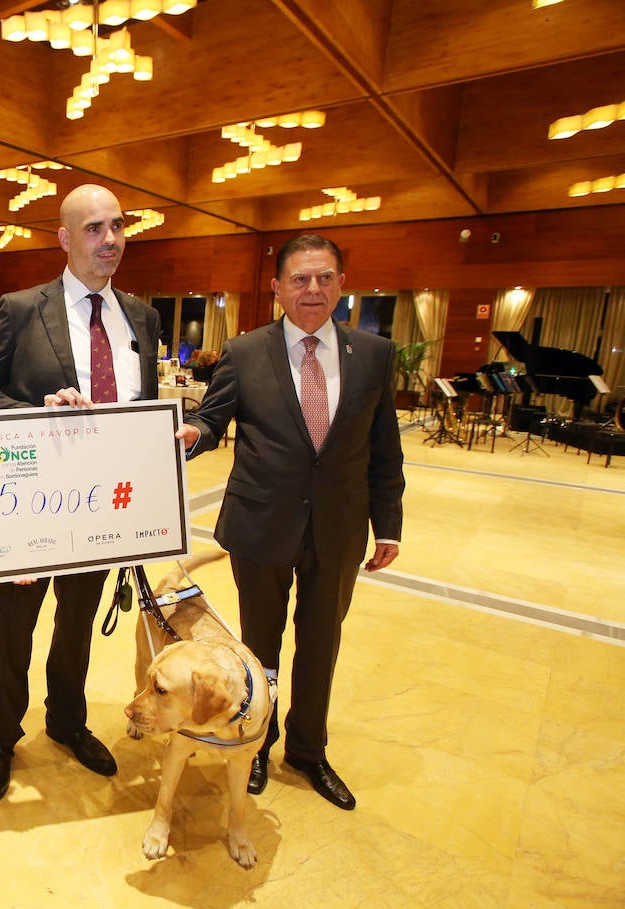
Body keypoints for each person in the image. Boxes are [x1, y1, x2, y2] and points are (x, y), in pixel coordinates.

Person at [175, 233, 405, 811]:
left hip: (339, 528)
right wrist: (193, 434)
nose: (313, 289)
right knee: (260, 646)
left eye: (325, 277)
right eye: (300, 279)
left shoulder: (373, 356)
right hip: (261, 524)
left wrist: (390, 525)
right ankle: (256, 742)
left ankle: (307, 749)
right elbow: (213, 414)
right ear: (277, 287)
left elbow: (384, 449)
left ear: (342, 284)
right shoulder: (246, 351)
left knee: (321, 644)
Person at [0, 183, 161, 801]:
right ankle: (0, 736)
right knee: (15, 626)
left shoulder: (142, 316)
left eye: (118, 227)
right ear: (65, 238)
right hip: (34, 506)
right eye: (95, 229)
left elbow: (142, 411)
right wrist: (36, 409)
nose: (111, 240)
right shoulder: (23, 309)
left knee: (77, 624)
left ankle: (67, 721)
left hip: (107, 509)